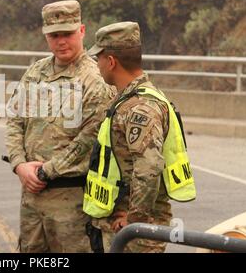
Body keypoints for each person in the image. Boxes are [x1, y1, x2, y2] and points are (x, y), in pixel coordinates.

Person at [5, 0, 115, 253]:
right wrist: (19, 164)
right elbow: (15, 120)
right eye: (54, 35)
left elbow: (90, 140)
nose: (61, 41)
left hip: (72, 204)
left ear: (82, 31)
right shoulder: (36, 72)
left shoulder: (95, 79)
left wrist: (45, 172)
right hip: (32, 201)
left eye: (67, 34)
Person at [83, 21, 196, 253]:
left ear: (111, 62)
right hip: (125, 229)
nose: (97, 65)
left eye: (99, 59)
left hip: (134, 236)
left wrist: (135, 221)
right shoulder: (131, 98)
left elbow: (149, 167)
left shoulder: (139, 108)